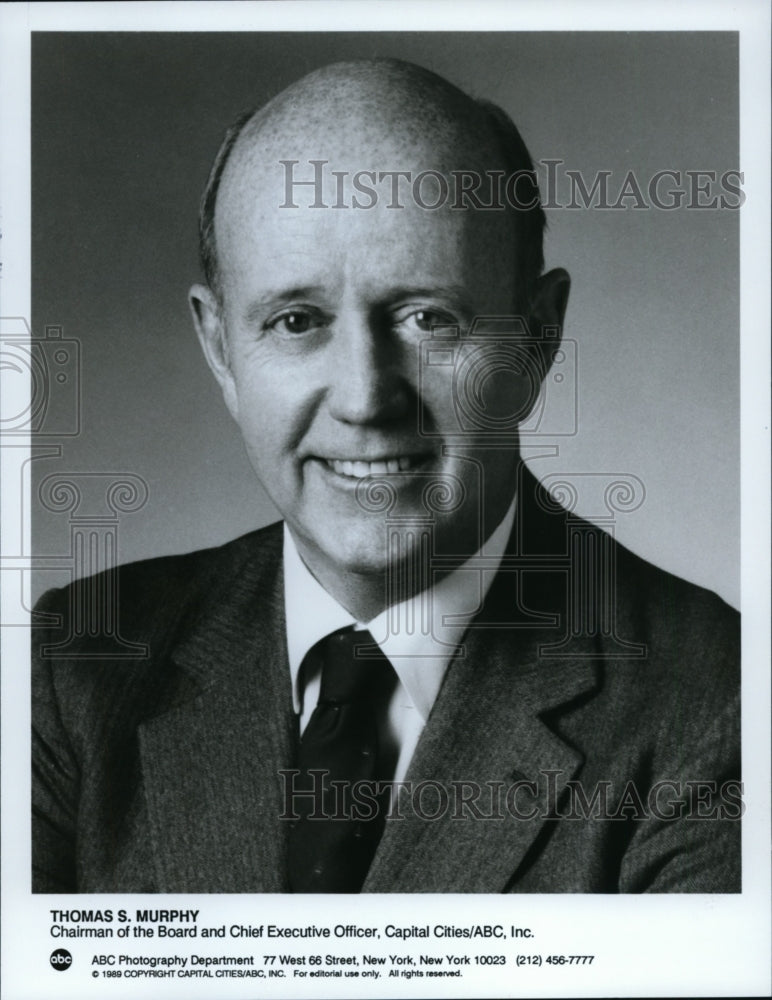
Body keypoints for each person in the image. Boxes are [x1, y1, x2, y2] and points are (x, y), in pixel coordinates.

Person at [32, 58, 740, 894]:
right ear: (222, 350)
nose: (367, 398)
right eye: (297, 322)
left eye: (428, 318)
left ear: (537, 338)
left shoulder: (721, 703)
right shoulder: (74, 669)